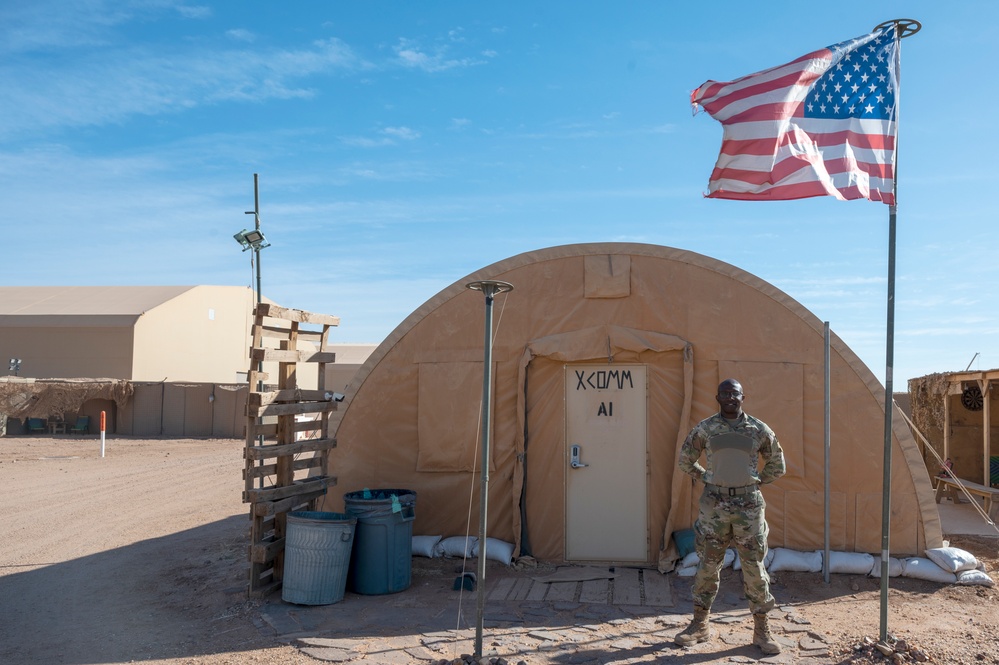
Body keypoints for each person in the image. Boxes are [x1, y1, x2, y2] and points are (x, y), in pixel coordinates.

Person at [674, 378, 786, 655]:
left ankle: (762, 631)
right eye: (724, 394)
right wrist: (706, 477)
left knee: (754, 568)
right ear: (718, 397)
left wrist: (755, 482)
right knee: (708, 565)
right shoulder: (706, 428)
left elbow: (777, 463)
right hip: (714, 506)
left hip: (749, 507)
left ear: (742, 397)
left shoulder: (758, 429)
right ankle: (699, 625)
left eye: (734, 394)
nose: (729, 398)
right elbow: (685, 459)